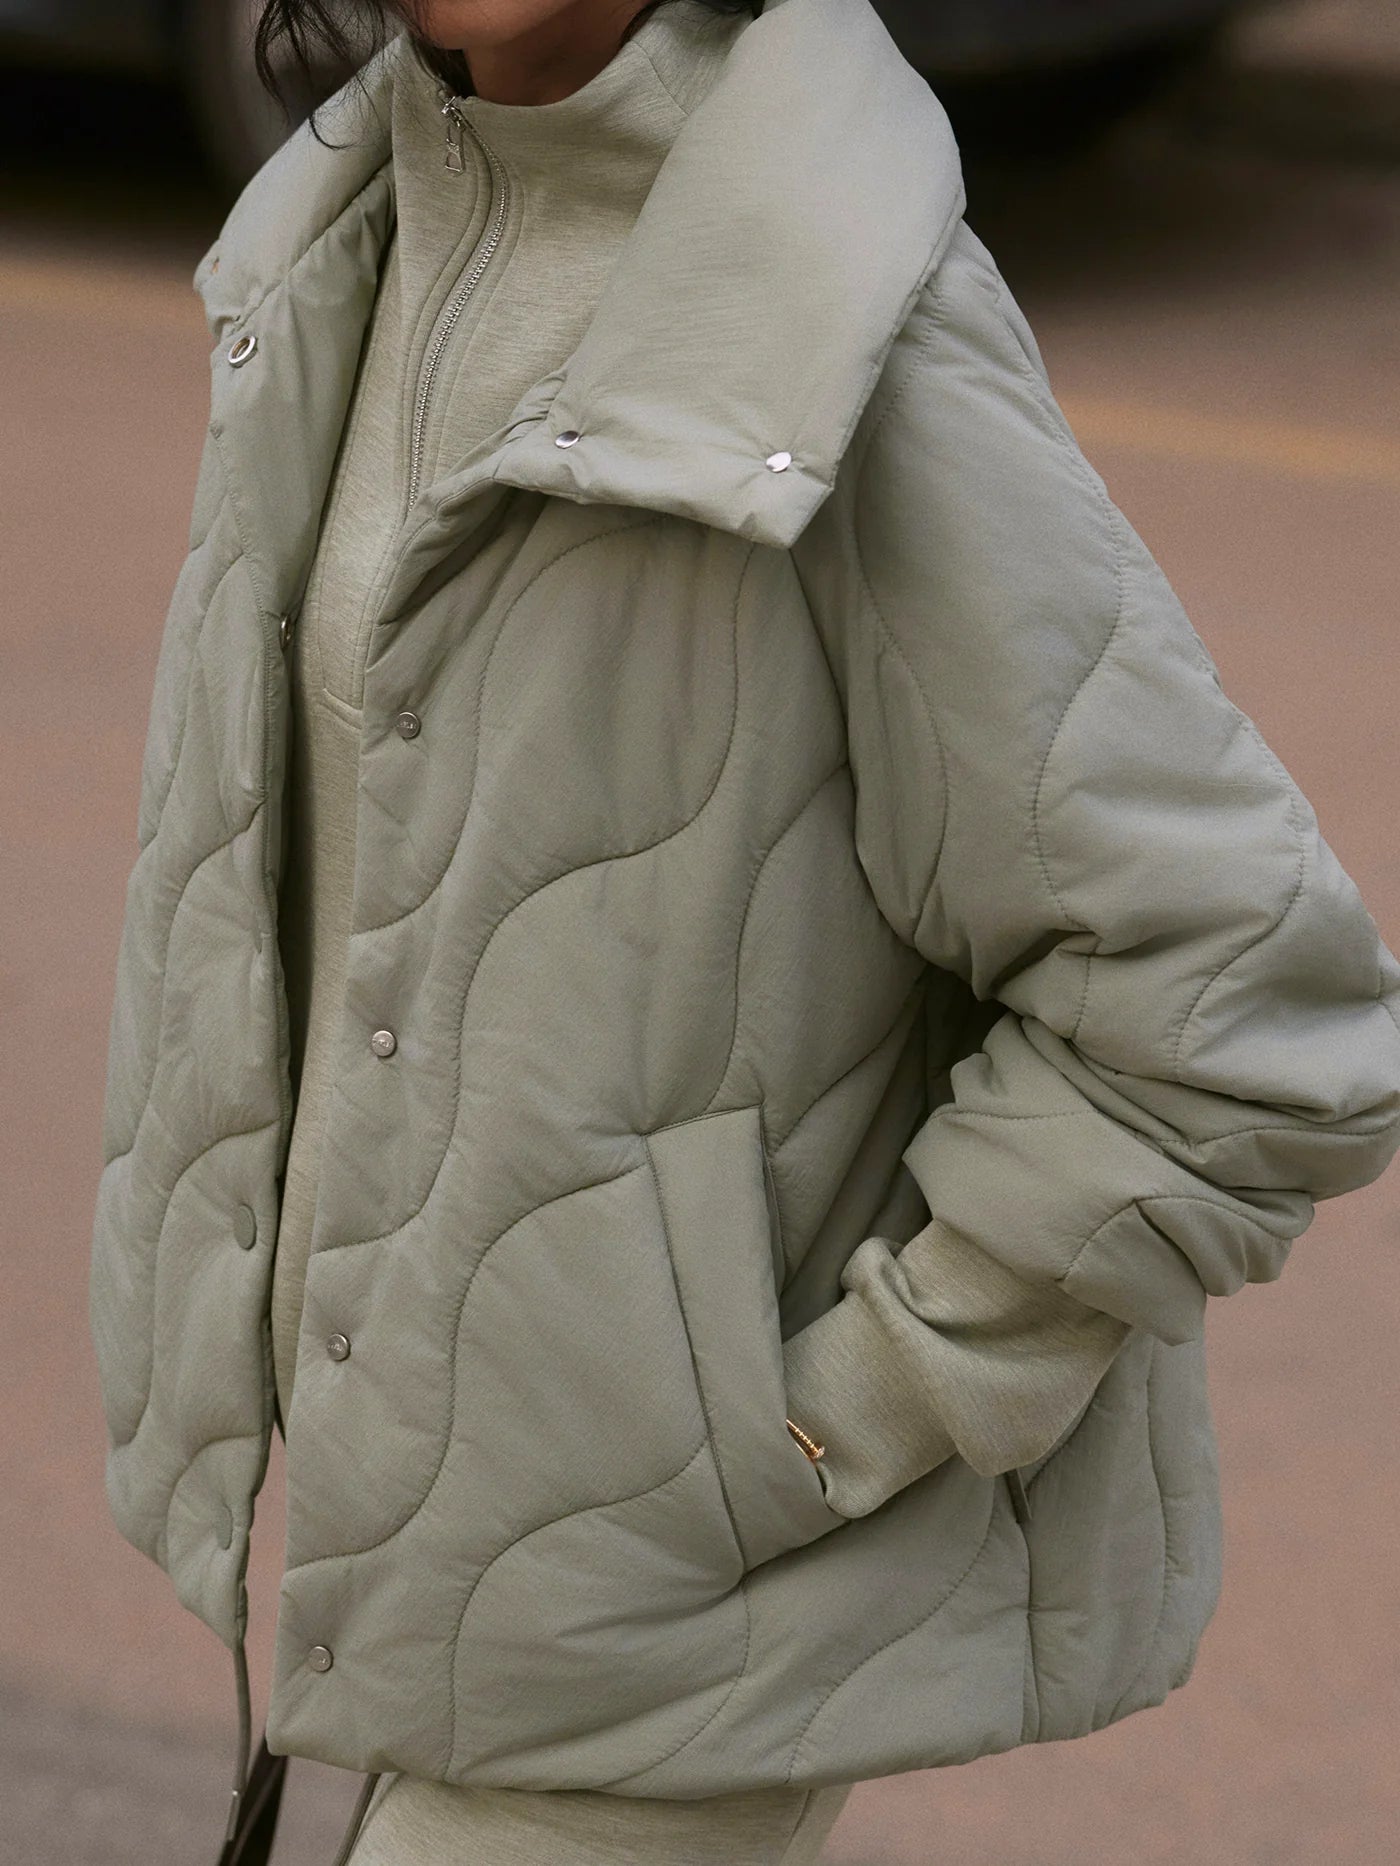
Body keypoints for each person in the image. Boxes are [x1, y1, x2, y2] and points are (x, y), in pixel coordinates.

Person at [88, 0, 1400, 1860]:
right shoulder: (352, 226)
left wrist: (831, 1420)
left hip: (661, 1648)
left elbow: (1246, 1003)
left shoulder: (834, 303)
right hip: (434, 1578)